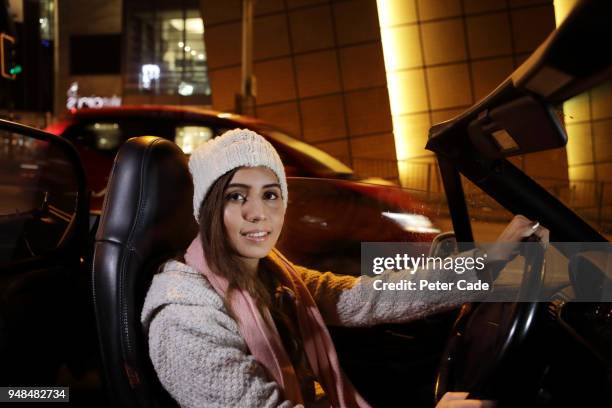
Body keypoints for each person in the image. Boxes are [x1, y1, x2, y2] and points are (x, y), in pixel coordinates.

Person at [141, 129, 549, 408]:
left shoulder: (265, 272)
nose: (257, 214)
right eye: (236, 196)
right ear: (209, 209)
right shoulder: (184, 318)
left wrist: (487, 263)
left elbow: (361, 297)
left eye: (270, 195)